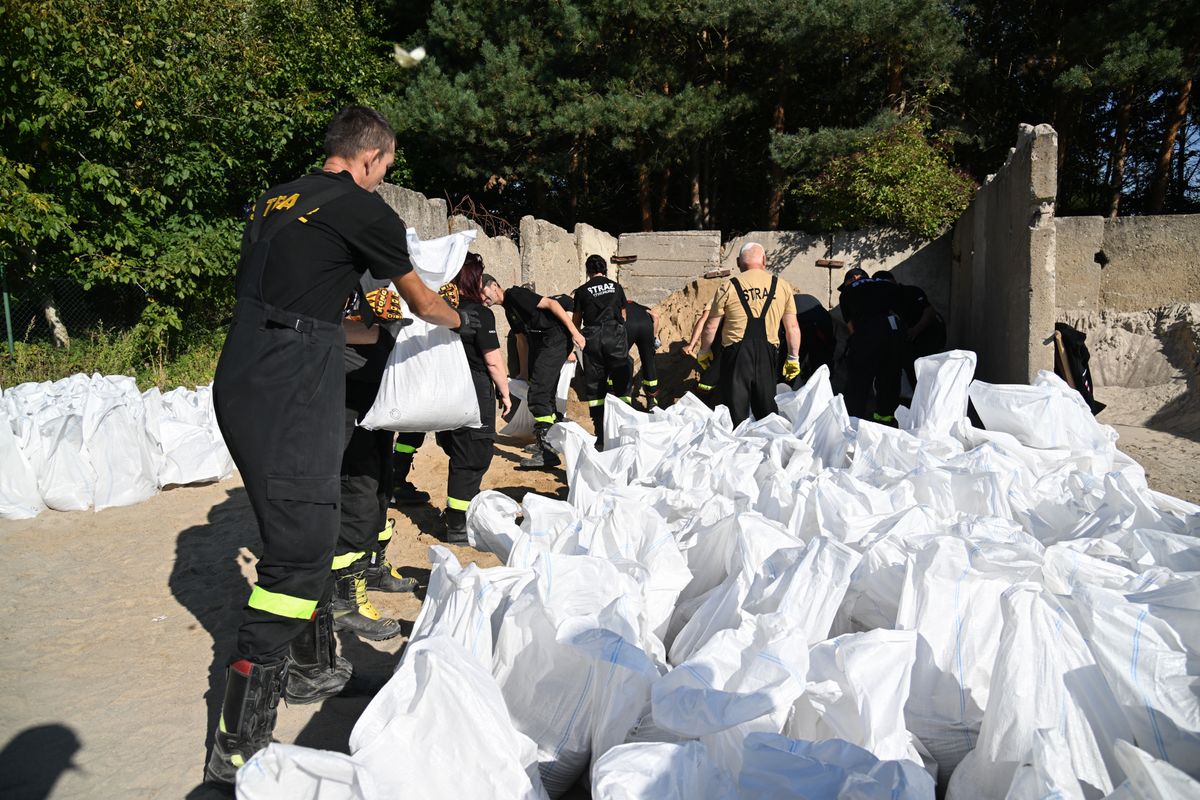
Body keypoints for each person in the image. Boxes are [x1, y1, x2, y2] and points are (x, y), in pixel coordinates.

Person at [205, 106, 471, 785]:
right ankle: (238, 744)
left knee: (312, 526)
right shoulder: (363, 208)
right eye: (386, 167)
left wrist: (377, 318)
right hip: (290, 380)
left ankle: (315, 667)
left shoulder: (277, 199)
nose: (384, 178)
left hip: (250, 369)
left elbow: (337, 301)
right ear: (372, 157)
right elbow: (418, 299)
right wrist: (462, 316)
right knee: (296, 555)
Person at [329, 280, 417, 645]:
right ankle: (343, 599)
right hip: (344, 396)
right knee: (357, 493)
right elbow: (326, 328)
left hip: (378, 398)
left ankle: (374, 567)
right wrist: (386, 331)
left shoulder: (375, 278)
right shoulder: (332, 272)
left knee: (382, 487)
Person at [434, 254, 511, 542]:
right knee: (474, 455)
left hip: (446, 388)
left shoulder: (440, 310)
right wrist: (505, 393)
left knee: (459, 449)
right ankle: (457, 523)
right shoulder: (480, 314)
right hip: (473, 389)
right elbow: (493, 361)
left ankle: (461, 507)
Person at [482, 277, 585, 468]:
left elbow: (552, 304)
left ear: (494, 286)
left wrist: (575, 333)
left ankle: (547, 454)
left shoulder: (515, 295)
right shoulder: (509, 309)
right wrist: (524, 372)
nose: (482, 297)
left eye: (483, 291)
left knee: (538, 395)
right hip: (545, 344)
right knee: (545, 395)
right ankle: (550, 443)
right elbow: (521, 341)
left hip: (555, 340)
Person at [697, 243, 801, 426]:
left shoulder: (728, 286)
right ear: (764, 261)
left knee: (736, 414)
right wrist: (793, 357)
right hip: (767, 355)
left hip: (735, 357)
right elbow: (792, 327)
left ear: (738, 262)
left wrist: (704, 351)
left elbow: (710, 327)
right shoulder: (782, 286)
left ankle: (739, 450)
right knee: (767, 413)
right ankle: (768, 449)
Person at [572, 255, 631, 443]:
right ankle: (623, 428)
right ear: (605, 269)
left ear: (588, 271)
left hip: (592, 337)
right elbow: (623, 314)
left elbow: (576, 320)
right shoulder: (616, 287)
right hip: (614, 335)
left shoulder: (581, 291)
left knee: (595, 383)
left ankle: (601, 432)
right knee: (621, 379)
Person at [838, 267, 906, 424]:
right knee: (889, 379)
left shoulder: (848, 292)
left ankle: (853, 423)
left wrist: (857, 345)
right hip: (894, 331)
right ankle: (886, 420)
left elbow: (851, 328)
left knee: (858, 381)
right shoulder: (885, 284)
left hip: (868, 334)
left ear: (854, 279)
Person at [871, 271, 946, 393]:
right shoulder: (883, 299)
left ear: (892, 282)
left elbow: (929, 311)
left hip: (928, 337)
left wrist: (915, 330)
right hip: (907, 344)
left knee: (927, 375)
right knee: (912, 374)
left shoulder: (911, 292)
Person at [778, 292, 835, 389]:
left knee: (787, 367)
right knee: (821, 367)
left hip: (805, 326)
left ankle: (786, 387)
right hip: (818, 325)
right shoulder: (807, 300)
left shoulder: (787, 303)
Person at [623, 300, 661, 408]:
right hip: (646, 325)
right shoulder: (642, 307)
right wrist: (652, 340)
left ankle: (624, 398)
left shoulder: (618, 306)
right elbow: (656, 317)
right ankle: (652, 400)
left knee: (623, 358)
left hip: (628, 325)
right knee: (648, 360)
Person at [684, 307, 723, 399]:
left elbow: (707, 324)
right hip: (744, 348)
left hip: (720, 346)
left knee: (707, 382)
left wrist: (693, 345)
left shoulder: (720, 297)